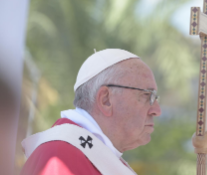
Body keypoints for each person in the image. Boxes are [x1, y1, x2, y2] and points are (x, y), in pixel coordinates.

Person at [20, 49, 162, 175]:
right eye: (146, 95)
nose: (157, 110)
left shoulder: (90, 155)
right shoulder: (60, 157)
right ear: (106, 100)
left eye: (155, 98)